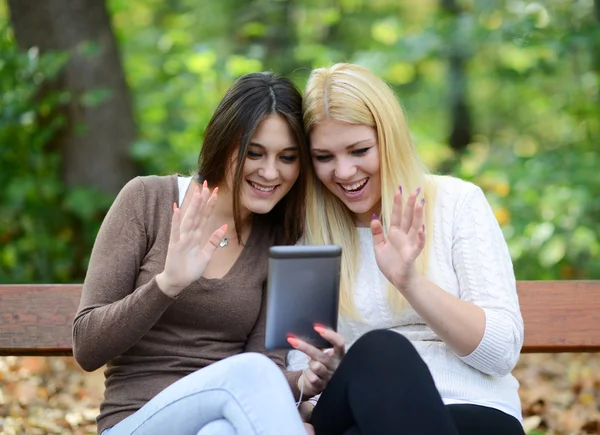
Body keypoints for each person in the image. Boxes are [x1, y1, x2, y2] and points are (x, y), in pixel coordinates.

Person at [286, 63, 526, 435]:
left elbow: (500, 353)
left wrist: (409, 281)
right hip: (355, 409)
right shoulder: (309, 232)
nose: (345, 172)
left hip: (473, 410)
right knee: (382, 351)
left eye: (359, 150)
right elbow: (304, 385)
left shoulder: (456, 203)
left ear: (390, 138)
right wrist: (315, 382)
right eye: (325, 157)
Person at [72, 72, 316, 435]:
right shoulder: (147, 201)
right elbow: (87, 347)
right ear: (224, 141)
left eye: (288, 157)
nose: (270, 171)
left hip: (224, 420)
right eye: (254, 152)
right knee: (248, 374)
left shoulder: (276, 239)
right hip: (136, 420)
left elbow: (268, 365)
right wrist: (167, 284)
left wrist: (304, 382)